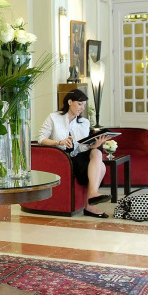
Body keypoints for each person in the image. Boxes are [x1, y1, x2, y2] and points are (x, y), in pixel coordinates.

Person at [38, 89, 111, 218]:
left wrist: (95, 145)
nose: (82, 108)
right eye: (80, 104)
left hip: (79, 156)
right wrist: (59, 142)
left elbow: (82, 148)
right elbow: (41, 139)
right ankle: (89, 204)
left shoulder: (84, 122)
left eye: (84, 105)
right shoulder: (53, 117)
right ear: (70, 102)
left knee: (97, 153)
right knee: (102, 167)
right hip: (63, 158)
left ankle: (92, 194)